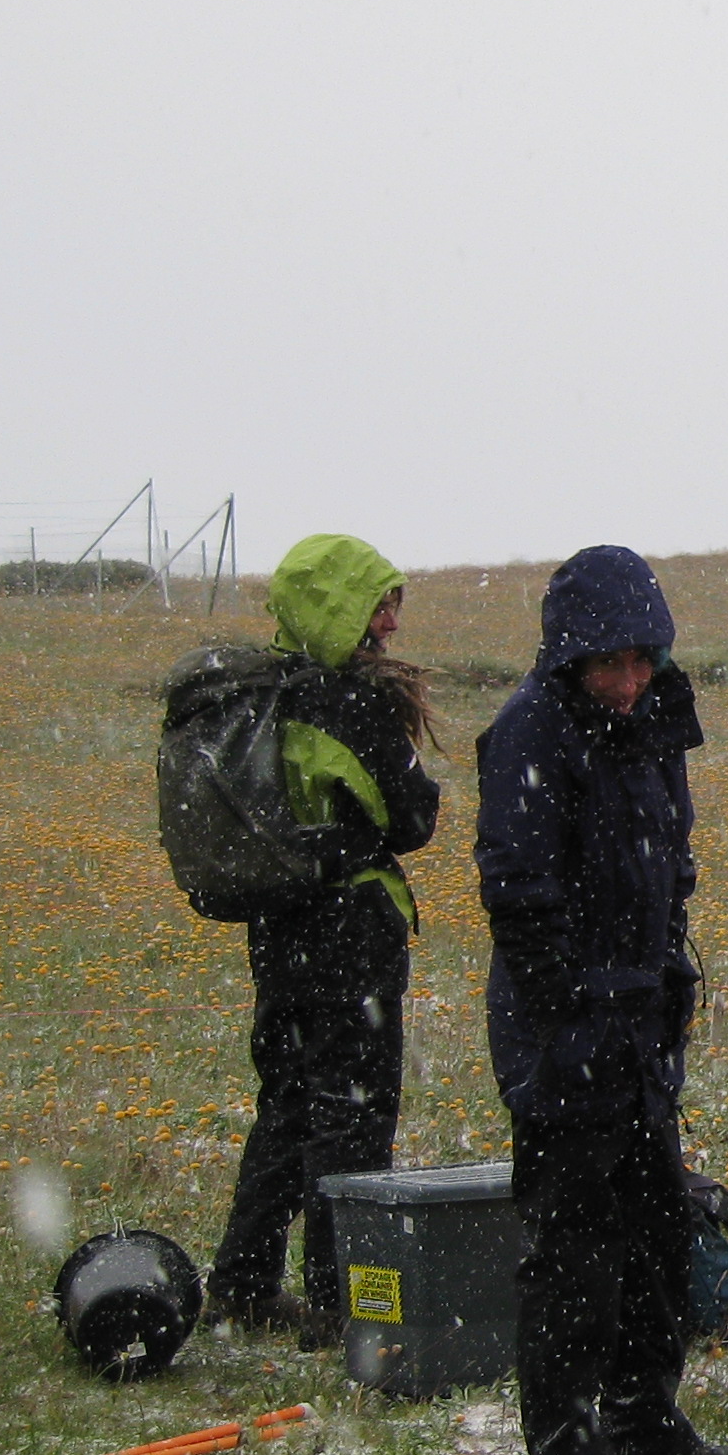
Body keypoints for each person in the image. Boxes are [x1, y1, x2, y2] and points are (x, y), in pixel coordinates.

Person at [477, 546, 728, 1455]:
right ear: (569, 656)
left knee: (661, 1232)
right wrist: (571, 1017)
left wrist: (665, 975)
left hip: (639, 1025)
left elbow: (674, 863)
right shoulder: (528, 734)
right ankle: (564, 1439)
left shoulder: (657, 725)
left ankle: (645, 1420)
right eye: (610, 663)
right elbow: (518, 895)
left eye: (642, 661)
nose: (628, 682)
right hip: (563, 1035)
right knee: (573, 1241)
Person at [212, 534, 441, 1346]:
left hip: (279, 926)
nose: (390, 622)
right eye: (378, 604)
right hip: (351, 928)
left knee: (285, 1101)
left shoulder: (261, 698)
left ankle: (242, 1281)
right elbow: (412, 818)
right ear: (343, 611)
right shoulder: (356, 700)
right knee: (352, 1112)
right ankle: (339, 1300)